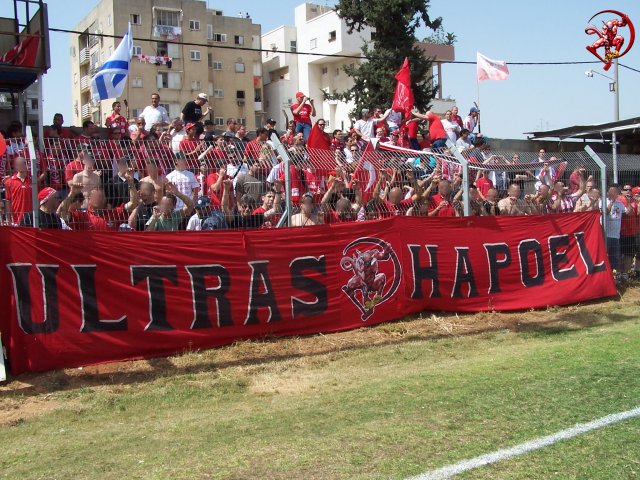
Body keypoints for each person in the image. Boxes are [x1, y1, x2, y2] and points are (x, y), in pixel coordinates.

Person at [605, 185, 626, 277]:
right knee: (605, 257)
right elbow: (606, 211)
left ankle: (611, 276)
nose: (613, 193)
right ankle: (605, 276)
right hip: (606, 235)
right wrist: (611, 202)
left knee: (615, 258)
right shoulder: (603, 201)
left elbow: (628, 211)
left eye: (615, 192)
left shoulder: (620, 204)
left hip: (616, 236)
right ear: (608, 192)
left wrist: (628, 201)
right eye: (611, 191)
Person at [3, 156, 32, 225]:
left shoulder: (33, 181)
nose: (21, 165)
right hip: (16, 218)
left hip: (32, 218)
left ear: (26, 165)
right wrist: (8, 219)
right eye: (18, 164)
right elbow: (8, 201)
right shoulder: (9, 182)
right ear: (15, 166)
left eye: (23, 163)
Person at [618, 184, 639, 280]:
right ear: (621, 191)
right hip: (621, 232)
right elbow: (627, 213)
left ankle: (625, 273)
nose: (628, 191)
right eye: (625, 189)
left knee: (629, 254)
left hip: (632, 232)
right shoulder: (619, 201)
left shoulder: (634, 202)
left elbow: (637, 213)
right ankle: (619, 272)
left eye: (630, 190)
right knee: (620, 254)